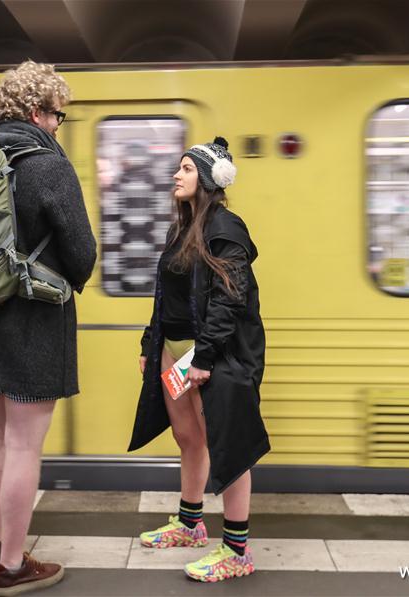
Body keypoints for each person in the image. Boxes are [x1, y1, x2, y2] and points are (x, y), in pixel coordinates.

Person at [0, 60, 96, 596]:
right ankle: (11, 566)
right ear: (36, 112)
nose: (58, 124)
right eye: (57, 115)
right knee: (24, 446)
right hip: (31, 324)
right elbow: (82, 255)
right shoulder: (48, 167)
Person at [128, 137, 270, 583]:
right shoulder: (182, 230)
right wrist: (151, 344)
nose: (177, 174)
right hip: (173, 352)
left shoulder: (226, 228)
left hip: (212, 354)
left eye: (187, 168)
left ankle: (237, 551)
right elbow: (167, 296)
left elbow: (230, 298)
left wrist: (204, 357)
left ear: (209, 179)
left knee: (229, 448)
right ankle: (190, 525)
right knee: (188, 438)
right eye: (179, 167)